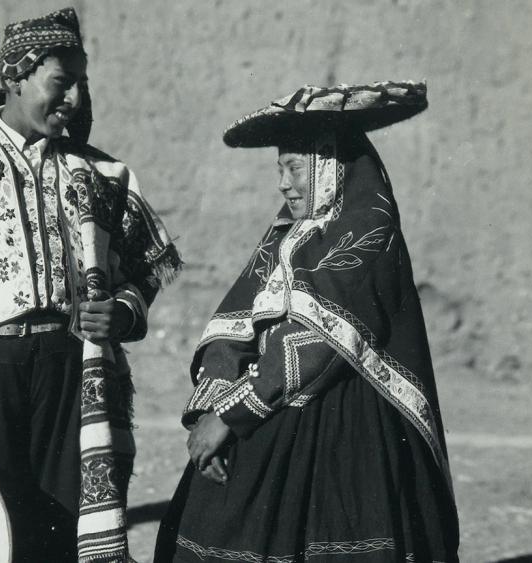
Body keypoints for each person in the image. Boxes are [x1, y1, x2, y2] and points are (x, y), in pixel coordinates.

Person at [0, 8, 180, 562]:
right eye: (60, 83)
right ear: (15, 77)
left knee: (61, 531)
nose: (74, 98)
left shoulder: (99, 172)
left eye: (81, 84)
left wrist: (123, 309)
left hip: (70, 372)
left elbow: (146, 266)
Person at [155, 82, 459, 563]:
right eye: (279, 169)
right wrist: (211, 405)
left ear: (330, 167)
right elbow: (235, 320)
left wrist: (230, 417)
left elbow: (316, 341)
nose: (283, 183)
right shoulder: (286, 236)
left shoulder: (369, 230)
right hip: (267, 406)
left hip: (345, 425)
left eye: (295, 167)